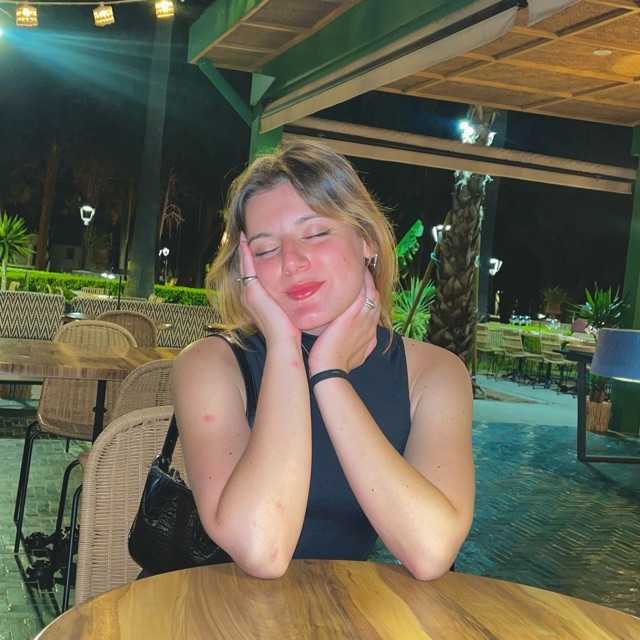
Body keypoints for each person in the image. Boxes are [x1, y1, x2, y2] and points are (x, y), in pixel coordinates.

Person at [172, 141, 474, 580]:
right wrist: (284, 347)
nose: (292, 262)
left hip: (333, 606)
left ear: (366, 240)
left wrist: (329, 375)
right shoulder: (209, 365)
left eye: (315, 233)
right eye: (266, 249)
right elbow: (261, 548)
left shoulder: (433, 374)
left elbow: (430, 551)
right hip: (204, 607)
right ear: (246, 267)